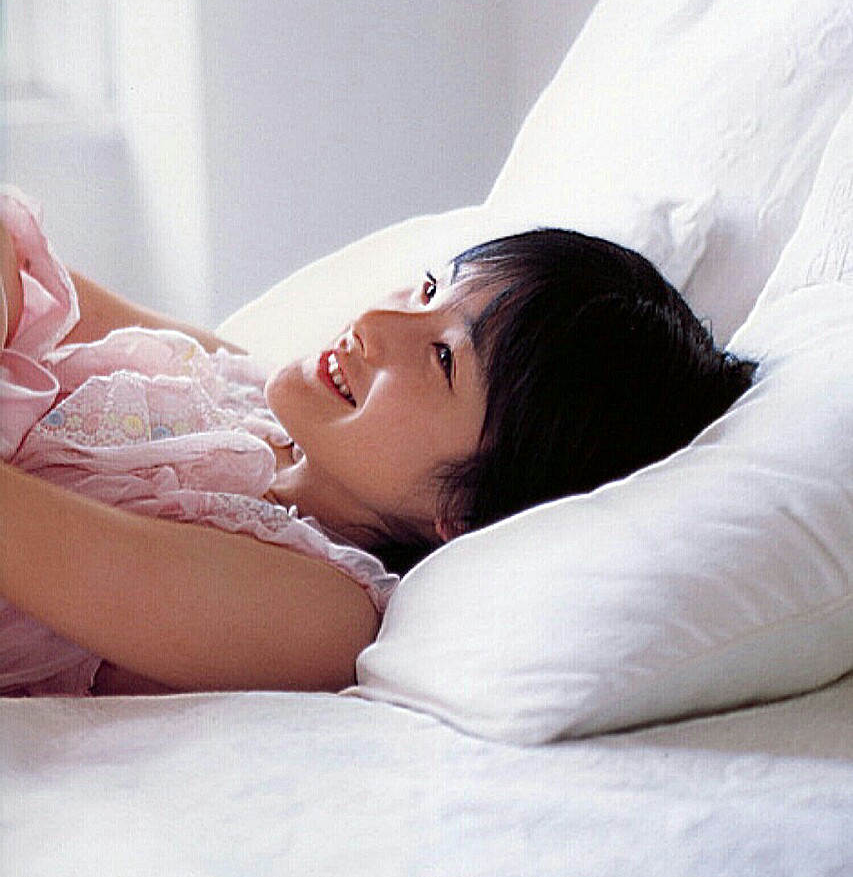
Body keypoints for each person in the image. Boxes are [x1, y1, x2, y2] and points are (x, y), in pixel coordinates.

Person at [0, 188, 755, 698]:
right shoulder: (239, 386)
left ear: (466, 513)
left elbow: (36, 541)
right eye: (428, 290)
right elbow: (40, 281)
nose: (375, 323)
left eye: (443, 358)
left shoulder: (321, 614)